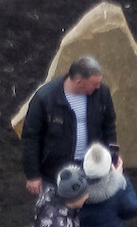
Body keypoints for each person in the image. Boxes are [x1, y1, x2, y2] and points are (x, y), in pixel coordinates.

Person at [21, 55, 118, 192]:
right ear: (79, 82)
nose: (98, 87)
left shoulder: (102, 94)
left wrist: (112, 156)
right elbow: (31, 137)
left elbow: (109, 126)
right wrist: (32, 175)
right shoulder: (45, 98)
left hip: (92, 170)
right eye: (94, 83)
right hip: (54, 173)